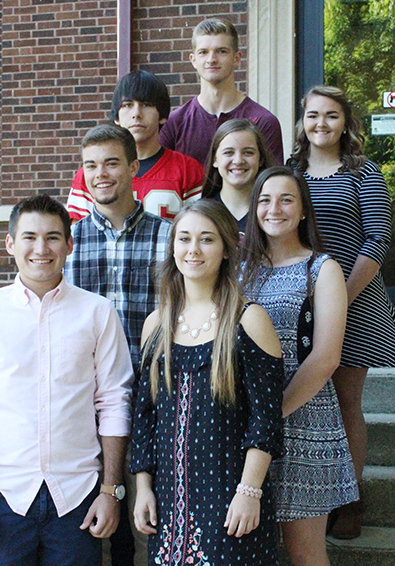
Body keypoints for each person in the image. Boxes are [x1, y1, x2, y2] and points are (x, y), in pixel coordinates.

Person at [0, 194, 133, 566]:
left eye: (52, 237)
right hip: (3, 498)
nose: (41, 248)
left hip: (77, 497)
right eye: (29, 237)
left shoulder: (97, 313)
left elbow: (114, 402)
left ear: (69, 244)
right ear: (11, 244)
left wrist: (111, 491)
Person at [130, 199, 285, 565]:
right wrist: (143, 487)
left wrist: (250, 491)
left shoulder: (249, 320)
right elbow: (145, 416)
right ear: (172, 247)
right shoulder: (156, 324)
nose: (193, 250)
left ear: (227, 249)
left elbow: (265, 418)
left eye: (206, 239)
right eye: (184, 239)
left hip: (231, 494)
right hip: (168, 498)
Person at [288, 85, 395, 539]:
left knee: (347, 402)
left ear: (345, 123)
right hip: (298, 303)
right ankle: (308, 496)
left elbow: (377, 241)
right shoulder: (289, 173)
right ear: (303, 122)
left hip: (357, 300)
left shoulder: (364, 173)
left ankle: (349, 502)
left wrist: (339, 299)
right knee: (307, 401)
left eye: (332, 116)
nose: (322, 124)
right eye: (314, 115)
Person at [65, 123, 171, 566]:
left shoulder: (169, 237)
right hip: (85, 405)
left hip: (151, 398)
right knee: (95, 529)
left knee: (148, 524)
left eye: (111, 163)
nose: (100, 174)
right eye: (91, 165)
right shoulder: (66, 242)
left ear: (133, 166)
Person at [242, 166, 359, 566]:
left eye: (286, 199)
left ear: (304, 209)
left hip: (305, 422)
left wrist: (270, 417)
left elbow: (326, 358)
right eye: (264, 199)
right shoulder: (240, 268)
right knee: (246, 546)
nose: (274, 208)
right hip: (246, 422)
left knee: (304, 551)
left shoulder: (322, 269)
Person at [67, 70, 204, 222]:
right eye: (127, 105)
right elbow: (76, 237)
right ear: (116, 117)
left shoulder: (187, 170)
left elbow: (198, 229)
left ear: (162, 115)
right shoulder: (91, 174)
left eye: (146, 105)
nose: (136, 114)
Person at [158, 18, 284, 166]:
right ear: (193, 60)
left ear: (236, 58)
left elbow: (273, 185)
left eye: (221, 51)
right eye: (203, 52)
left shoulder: (263, 121)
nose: (211, 59)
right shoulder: (174, 123)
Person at [202, 118, 274, 240]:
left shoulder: (273, 210)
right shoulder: (203, 212)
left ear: (260, 159)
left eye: (248, 153)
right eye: (229, 152)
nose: (238, 161)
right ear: (215, 159)